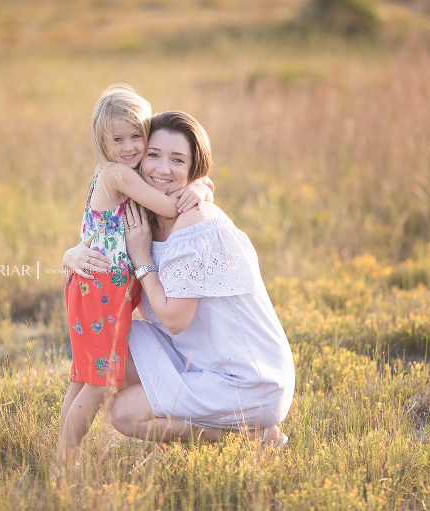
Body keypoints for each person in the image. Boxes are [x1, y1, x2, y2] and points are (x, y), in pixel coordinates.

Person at [65, 110, 295, 448]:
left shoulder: (193, 222)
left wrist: (143, 259)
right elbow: (101, 237)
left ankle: (248, 437)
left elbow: (174, 319)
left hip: (250, 380)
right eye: (154, 155)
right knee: (112, 338)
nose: (161, 169)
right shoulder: (144, 213)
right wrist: (69, 256)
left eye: (177, 160)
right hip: (201, 361)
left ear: (193, 170)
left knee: (123, 413)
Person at [54, 86, 214, 470]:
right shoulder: (118, 174)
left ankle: (60, 458)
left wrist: (198, 186)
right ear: (101, 141)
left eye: (135, 136)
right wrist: (200, 187)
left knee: (82, 378)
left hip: (101, 290)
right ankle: (63, 464)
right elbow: (169, 205)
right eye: (116, 138)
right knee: (97, 384)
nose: (128, 146)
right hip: (100, 292)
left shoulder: (124, 174)